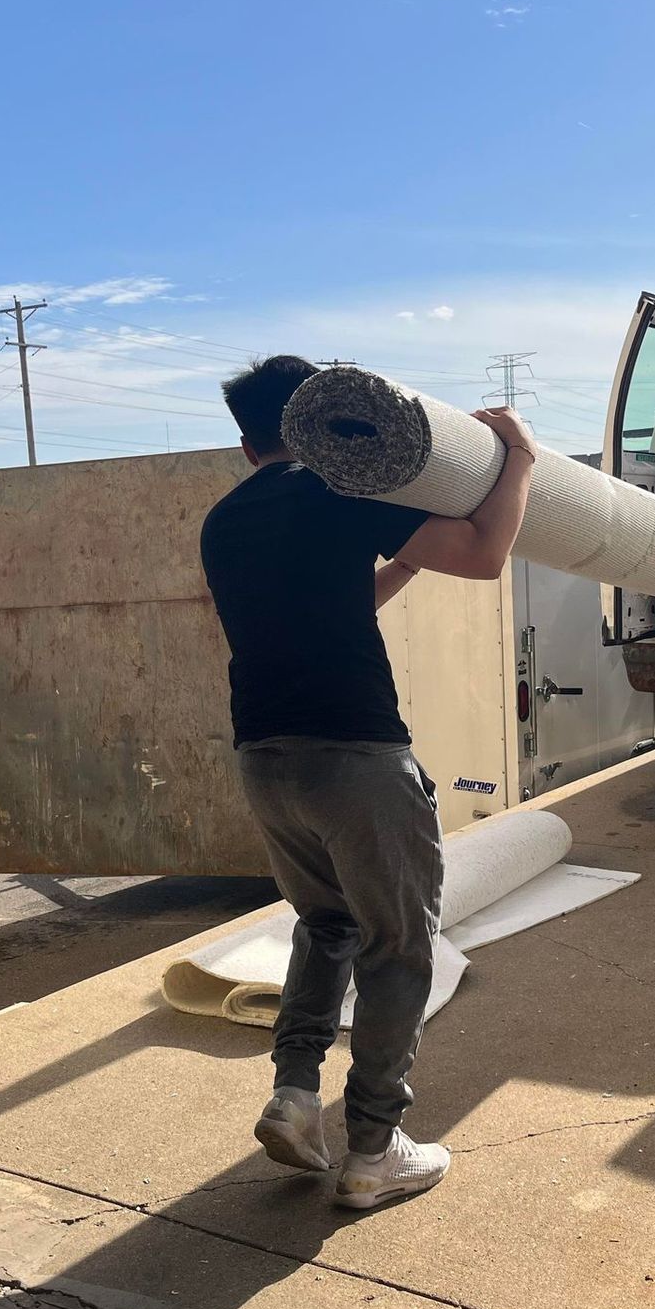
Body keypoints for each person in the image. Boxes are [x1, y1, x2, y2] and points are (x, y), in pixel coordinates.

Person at [199, 355, 535, 1209]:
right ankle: (375, 1151)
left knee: (325, 922)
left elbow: (328, 605)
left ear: (246, 447)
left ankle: (296, 1093)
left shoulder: (224, 520)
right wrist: (521, 461)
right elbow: (488, 554)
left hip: (266, 759)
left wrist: (404, 566)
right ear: (324, 419)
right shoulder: (345, 489)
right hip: (355, 755)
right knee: (397, 947)